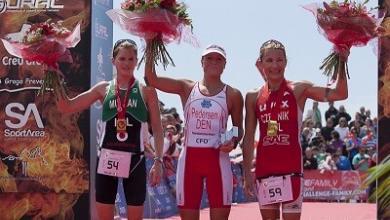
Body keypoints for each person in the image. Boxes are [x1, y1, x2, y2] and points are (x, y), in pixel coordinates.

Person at [241, 39, 349, 220]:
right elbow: (249, 137)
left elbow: (340, 93)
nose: (275, 65)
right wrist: (246, 174)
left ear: (286, 62)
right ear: (261, 64)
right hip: (265, 172)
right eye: (269, 60)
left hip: (291, 171)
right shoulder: (253, 96)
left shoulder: (298, 89)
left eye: (280, 60)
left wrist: (342, 61)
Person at [56, 39, 164, 220]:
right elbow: (66, 106)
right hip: (108, 159)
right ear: (113, 61)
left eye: (131, 59)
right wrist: (52, 73)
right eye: (122, 59)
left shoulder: (147, 91)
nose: (126, 63)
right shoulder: (103, 89)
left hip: (135, 161)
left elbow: (158, 130)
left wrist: (158, 161)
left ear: (137, 61)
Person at [145, 43, 244, 220]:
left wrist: (231, 140)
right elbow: (151, 79)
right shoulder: (187, 88)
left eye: (219, 59)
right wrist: (151, 43)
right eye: (209, 58)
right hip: (189, 163)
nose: (214, 62)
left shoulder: (233, 94)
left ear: (225, 64)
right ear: (202, 62)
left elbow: (237, 128)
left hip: (218, 162)